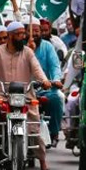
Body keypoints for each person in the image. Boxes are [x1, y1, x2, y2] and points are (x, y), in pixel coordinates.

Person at [0, 21, 53, 170]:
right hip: (2, 94)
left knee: (35, 126)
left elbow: (37, 69)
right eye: (19, 34)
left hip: (25, 96)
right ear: (11, 36)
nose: (23, 36)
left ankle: (44, 167)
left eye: (23, 33)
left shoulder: (28, 52)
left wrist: (45, 81)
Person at [27, 18, 65, 147]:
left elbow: (55, 66)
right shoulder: (20, 47)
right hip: (24, 89)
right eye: (31, 31)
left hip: (44, 88)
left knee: (57, 98)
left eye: (37, 31)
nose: (35, 34)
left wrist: (55, 80)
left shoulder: (48, 46)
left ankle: (53, 132)